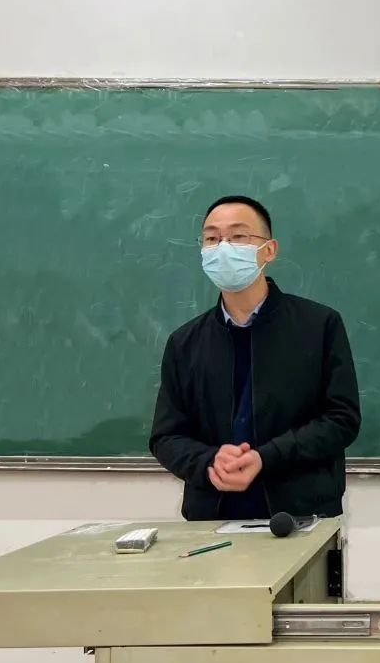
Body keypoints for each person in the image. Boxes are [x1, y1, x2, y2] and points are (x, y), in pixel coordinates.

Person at [150, 195, 361, 520]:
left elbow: (341, 419)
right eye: (212, 238)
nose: (223, 248)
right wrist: (209, 462)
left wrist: (266, 457)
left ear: (269, 250)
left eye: (238, 236)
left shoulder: (318, 326)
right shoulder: (185, 342)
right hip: (211, 520)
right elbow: (166, 436)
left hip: (300, 517)